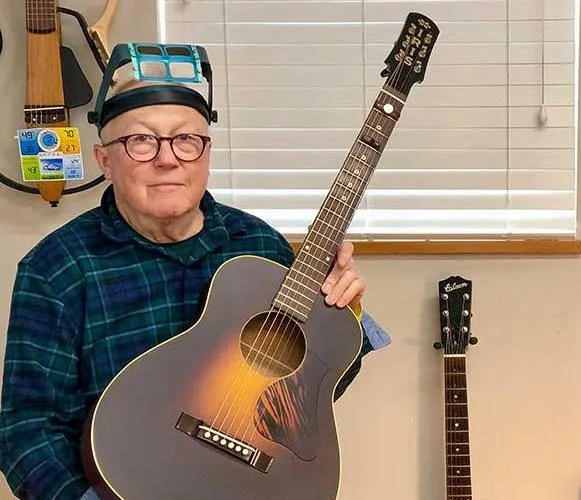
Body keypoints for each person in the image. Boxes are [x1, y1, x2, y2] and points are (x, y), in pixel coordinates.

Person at [0, 44, 389, 499]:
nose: (168, 159)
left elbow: (311, 397)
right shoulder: (57, 268)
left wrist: (345, 310)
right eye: (141, 141)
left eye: (186, 139)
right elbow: (26, 427)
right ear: (105, 160)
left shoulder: (258, 245)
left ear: (205, 152)